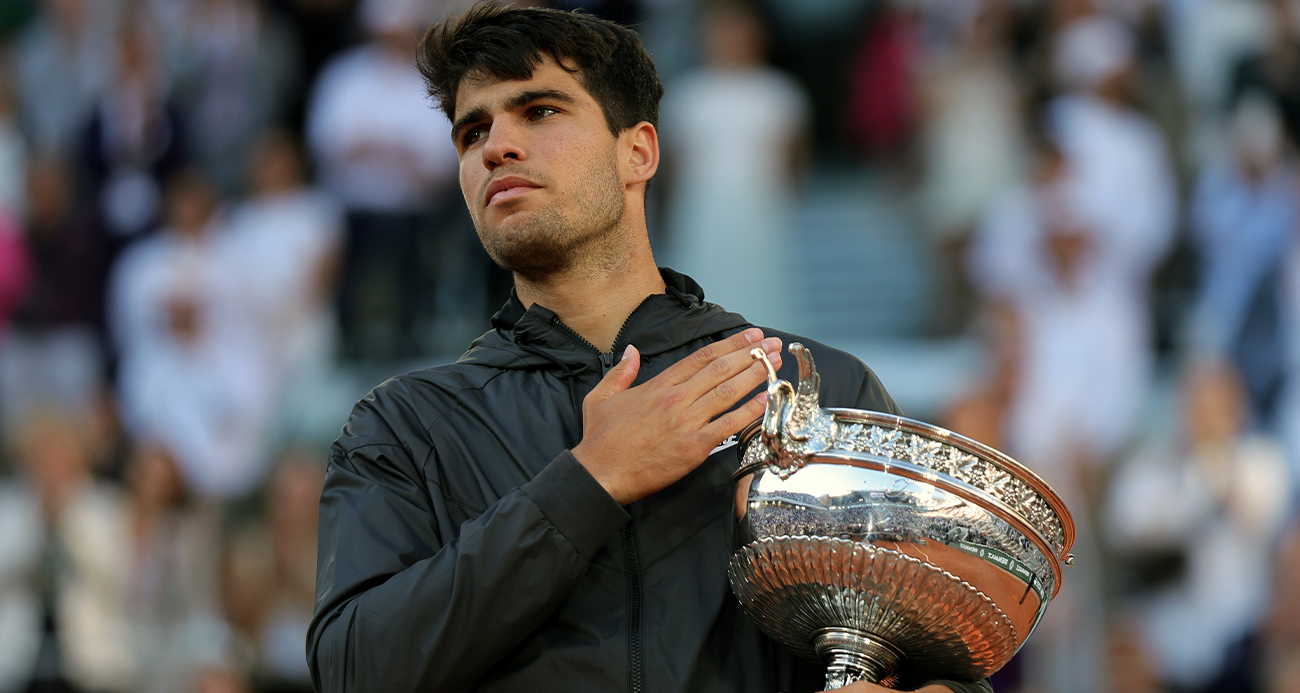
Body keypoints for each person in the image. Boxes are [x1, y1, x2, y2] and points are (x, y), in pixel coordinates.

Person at [306, 4, 992, 693]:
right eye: (472, 131)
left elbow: (943, 662)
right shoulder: (405, 425)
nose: (496, 147)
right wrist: (590, 480)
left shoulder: (817, 388)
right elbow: (353, 673)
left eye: (539, 111)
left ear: (638, 153)